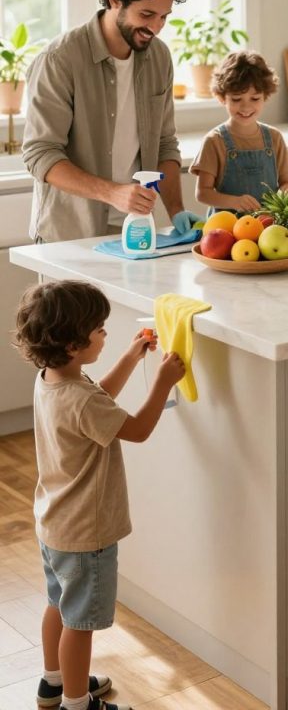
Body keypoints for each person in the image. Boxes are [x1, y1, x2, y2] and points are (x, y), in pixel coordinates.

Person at [14, 279, 185, 710]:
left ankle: (54, 683)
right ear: (73, 344)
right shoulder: (79, 397)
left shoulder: (53, 379)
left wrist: (130, 357)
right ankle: (77, 703)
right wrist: (162, 382)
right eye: (100, 328)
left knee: (58, 604)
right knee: (81, 624)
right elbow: (137, 429)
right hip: (86, 534)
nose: (105, 333)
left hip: (55, 523)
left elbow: (97, 402)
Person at [23, 0, 198, 242]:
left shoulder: (159, 57)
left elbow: (165, 145)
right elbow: (41, 153)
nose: (156, 28)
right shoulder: (60, 59)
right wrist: (113, 193)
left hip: (137, 229)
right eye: (146, 14)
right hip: (69, 233)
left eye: (164, 17)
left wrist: (177, 209)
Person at [190, 49, 288, 213]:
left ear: (265, 96)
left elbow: (286, 182)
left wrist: (284, 193)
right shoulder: (214, 141)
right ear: (222, 97)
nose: (246, 107)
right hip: (226, 229)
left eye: (255, 98)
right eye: (237, 99)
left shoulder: (274, 138)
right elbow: (203, 193)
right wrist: (234, 202)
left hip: (267, 226)